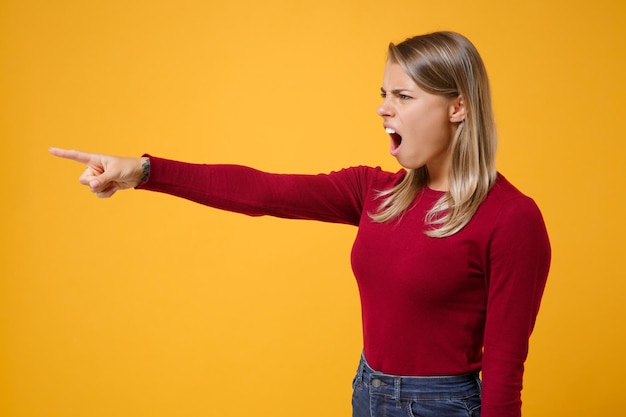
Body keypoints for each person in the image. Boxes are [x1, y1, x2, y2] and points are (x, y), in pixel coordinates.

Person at [50, 31, 551, 417]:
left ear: (458, 106)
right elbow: (261, 191)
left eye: (404, 96)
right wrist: (142, 171)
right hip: (368, 391)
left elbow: (505, 370)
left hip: (443, 406)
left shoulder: (511, 219)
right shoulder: (374, 192)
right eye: (383, 93)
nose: (383, 108)